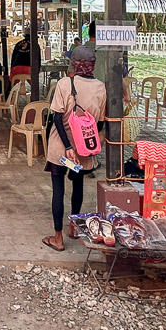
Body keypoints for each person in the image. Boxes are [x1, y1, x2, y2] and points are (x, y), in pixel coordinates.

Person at [42, 45, 107, 253]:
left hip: (60, 146)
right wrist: (81, 146)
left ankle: (58, 238)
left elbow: (57, 118)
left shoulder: (64, 83)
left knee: (58, 188)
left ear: (74, 64)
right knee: (77, 184)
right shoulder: (101, 87)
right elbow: (99, 123)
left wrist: (68, 146)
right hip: (83, 149)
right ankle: (73, 227)